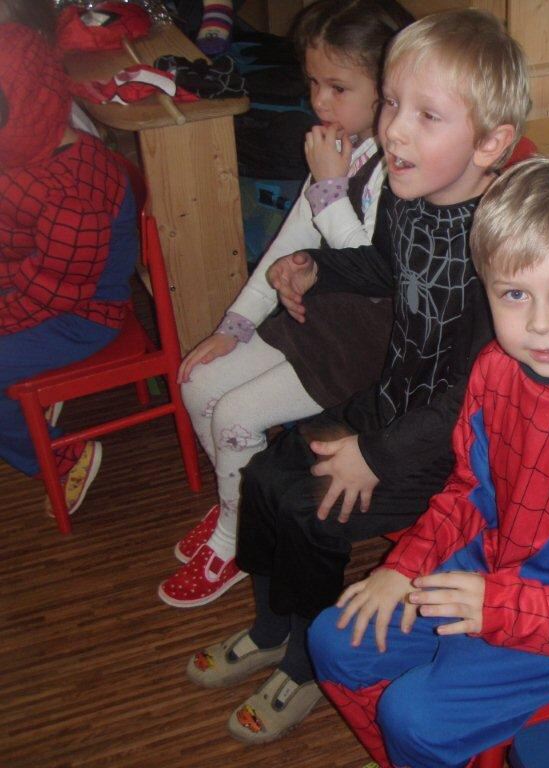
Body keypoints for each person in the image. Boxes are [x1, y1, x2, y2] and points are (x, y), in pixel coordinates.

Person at [183, 9, 531, 745]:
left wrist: (375, 454)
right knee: (267, 477)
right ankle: (272, 627)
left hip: (446, 449)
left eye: (426, 116)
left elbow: (476, 395)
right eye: (394, 104)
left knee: (311, 511)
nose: (395, 130)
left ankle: (309, 664)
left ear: (491, 143)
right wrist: (318, 265)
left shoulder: (499, 247)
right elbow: (384, 268)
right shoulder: (408, 202)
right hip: (387, 406)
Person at [307, 156, 549, 768]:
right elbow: (469, 491)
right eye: (514, 294)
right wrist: (404, 567)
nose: (540, 324)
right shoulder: (495, 368)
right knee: (334, 639)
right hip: (486, 571)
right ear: (486, 290)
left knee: (413, 715)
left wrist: (500, 607)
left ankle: (426, 744)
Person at [159, 0, 395, 608]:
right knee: (198, 380)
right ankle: (239, 507)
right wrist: (234, 326)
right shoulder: (342, 147)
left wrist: (329, 186)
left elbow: (371, 273)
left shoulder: (397, 166)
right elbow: (289, 243)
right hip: (315, 324)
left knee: (236, 417)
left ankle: (237, 538)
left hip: (361, 347)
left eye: (338, 87)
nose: (319, 101)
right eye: (313, 83)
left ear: (388, 87)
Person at [0, 22, 137, 515]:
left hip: (82, 316)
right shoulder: (32, 147)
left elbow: (55, 294)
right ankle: (25, 403)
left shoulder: (74, 187)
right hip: (34, 283)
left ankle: (59, 456)